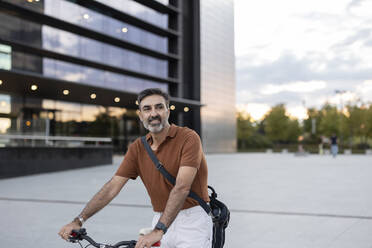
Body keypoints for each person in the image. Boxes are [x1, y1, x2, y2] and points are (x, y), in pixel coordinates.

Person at [58, 88, 212, 248]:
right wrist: (79, 220)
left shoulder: (188, 138)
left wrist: (159, 230)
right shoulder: (138, 147)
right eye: (147, 109)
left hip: (192, 220)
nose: (153, 113)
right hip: (160, 218)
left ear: (168, 111)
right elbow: (112, 187)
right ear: (140, 115)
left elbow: (182, 187)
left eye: (159, 107)